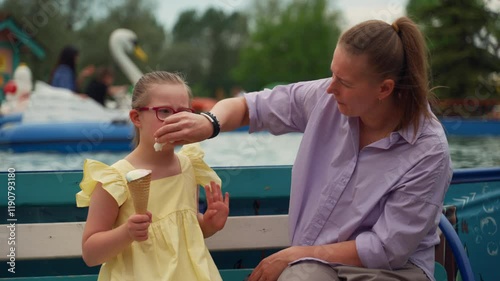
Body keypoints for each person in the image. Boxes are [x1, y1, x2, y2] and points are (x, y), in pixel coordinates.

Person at [154, 17, 453, 281]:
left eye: (343, 81)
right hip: (312, 267)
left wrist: (293, 254)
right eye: (332, 73)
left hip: (391, 272)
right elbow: (251, 107)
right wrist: (210, 122)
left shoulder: (428, 151)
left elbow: (385, 250)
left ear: (384, 89)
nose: (329, 87)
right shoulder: (327, 99)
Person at [76, 71, 230, 281]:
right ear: (136, 117)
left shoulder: (188, 167)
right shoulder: (116, 179)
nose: (175, 120)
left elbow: (184, 232)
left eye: (183, 112)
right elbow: (91, 254)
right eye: (164, 111)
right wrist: (126, 233)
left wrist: (209, 225)